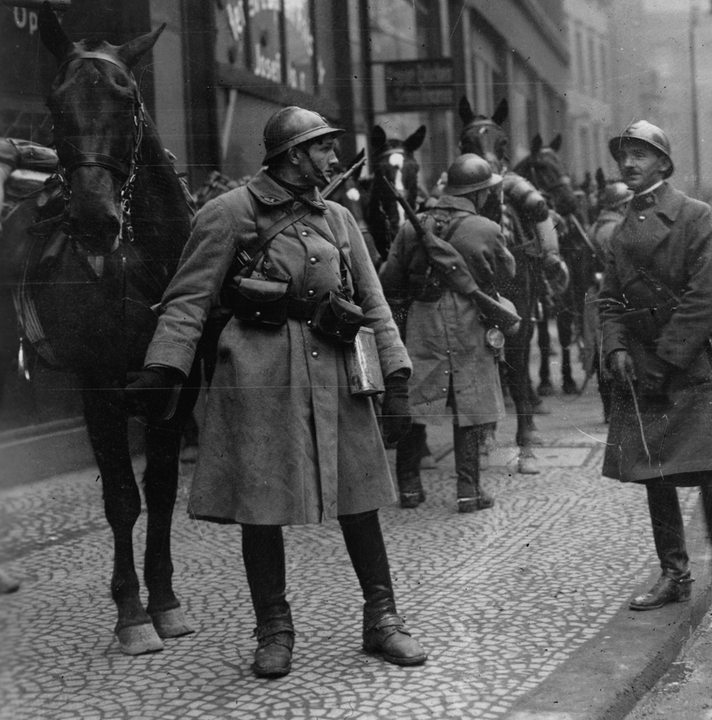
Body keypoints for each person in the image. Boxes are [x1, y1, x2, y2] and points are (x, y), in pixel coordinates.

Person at [125, 106, 427, 677]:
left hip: (338, 371)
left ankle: (383, 620)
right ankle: (274, 629)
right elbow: (188, 298)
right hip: (260, 375)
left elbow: (373, 300)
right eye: (323, 149)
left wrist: (397, 377)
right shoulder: (227, 213)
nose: (334, 159)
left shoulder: (337, 217)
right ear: (293, 155)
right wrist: (164, 367)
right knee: (261, 508)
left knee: (360, 498)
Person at [599, 120, 712, 617]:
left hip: (694, 364)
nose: (629, 164)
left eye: (641, 155)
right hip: (644, 363)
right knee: (653, 472)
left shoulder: (695, 216)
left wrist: (667, 358)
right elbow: (608, 298)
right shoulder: (622, 227)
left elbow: (709, 295)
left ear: (664, 164)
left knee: (711, 472)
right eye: (624, 155)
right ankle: (674, 573)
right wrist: (617, 351)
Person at [381, 154, 515, 514]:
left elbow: (389, 280)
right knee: (469, 402)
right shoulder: (486, 228)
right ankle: (468, 491)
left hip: (422, 318)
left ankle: (409, 487)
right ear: (481, 193)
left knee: (418, 399)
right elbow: (505, 276)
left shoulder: (413, 225)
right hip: (469, 318)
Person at [582, 180, 632, 424]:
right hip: (610, 296)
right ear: (622, 206)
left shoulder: (596, 226)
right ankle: (613, 411)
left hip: (596, 294)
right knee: (610, 351)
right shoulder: (614, 229)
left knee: (600, 351)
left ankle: (610, 411)